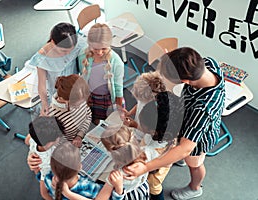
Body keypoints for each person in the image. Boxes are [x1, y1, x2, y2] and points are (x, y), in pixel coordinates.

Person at [123, 47, 225, 200]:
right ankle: (177, 160)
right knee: (179, 153)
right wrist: (170, 60)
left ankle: (195, 187)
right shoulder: (205, 64)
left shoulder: (203, 108)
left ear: (185, 81)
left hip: (199, 139)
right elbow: (182, 60)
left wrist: (146, 167)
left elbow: (185, 148)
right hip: (186, 120)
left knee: (194, 162)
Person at [28, 22, 86, 116]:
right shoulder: (42, 58)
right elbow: (42, 85)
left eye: (71, 50)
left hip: (75, 87)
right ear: (53, 42)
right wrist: (44, 104)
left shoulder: (76, 42)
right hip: (58, 94)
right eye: (63, 51)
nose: (68, 53)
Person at [101, 124, 173, 200]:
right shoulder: (148, 152)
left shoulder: (117, 175)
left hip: (128, 196)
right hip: (142, 188)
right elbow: (168, 163)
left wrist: (118, 188)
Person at [78, 23, 124, 125]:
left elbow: (118, 87)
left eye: (103, 48)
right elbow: (82, 77)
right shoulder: (82, 55)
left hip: (108, 97)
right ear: (89, 45)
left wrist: (119, 109)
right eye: (95, 48)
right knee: (94, 117)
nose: (99, 52)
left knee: (110, 122)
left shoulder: (116, 62)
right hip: (91, 95)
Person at [48, 141, 124, 200]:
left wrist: (68, 194)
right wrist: (119, 188)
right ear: (80, 167)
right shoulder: (88, 188)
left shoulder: (48, 179)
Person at [24, 116, 63, 200]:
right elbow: (43, 192)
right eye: (57, 138)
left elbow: (27, 140)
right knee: (40, 174)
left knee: (37, 170)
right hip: (44, 169)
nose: (59, 138)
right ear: (48, 144)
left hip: (37, 160)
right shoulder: (48, 161)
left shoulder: (33, 139)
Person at [48, 74, 92, 148]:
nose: (79, 107)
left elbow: (88, 115)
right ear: (62, 99)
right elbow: (57, 141)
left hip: (83, 138)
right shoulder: (52, 116)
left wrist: (79, 136)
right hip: (68, 147)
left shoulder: (80, 99)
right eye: (75, 105)